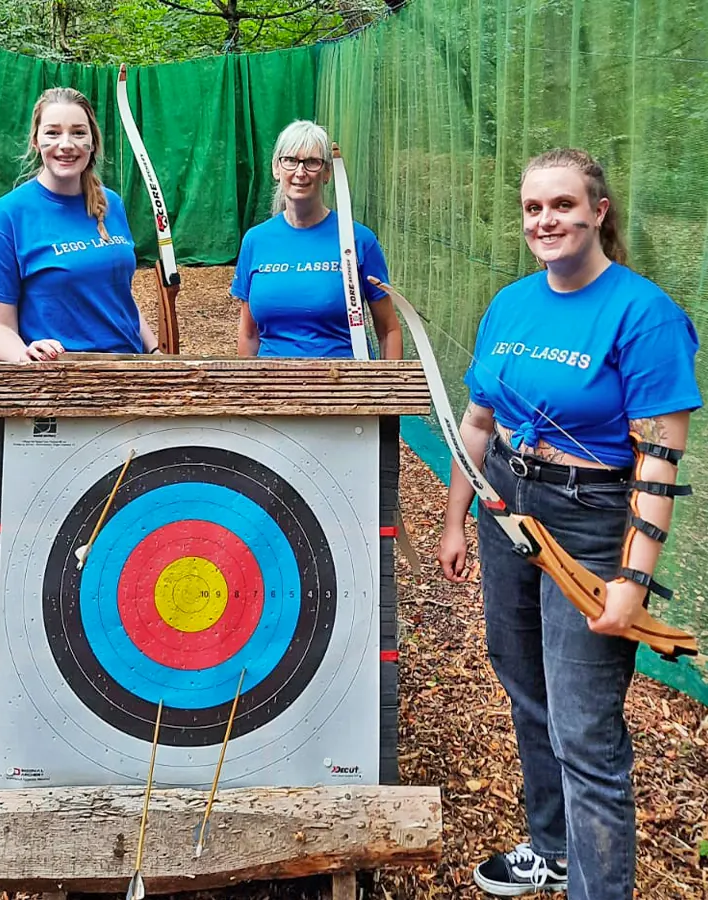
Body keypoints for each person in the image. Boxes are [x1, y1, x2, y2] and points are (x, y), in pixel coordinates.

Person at [436, 148, 700, 898]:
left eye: (562, 205)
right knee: (525, 688)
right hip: (505, 507)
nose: (545, 221)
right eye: (532, 209)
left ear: (598, 211)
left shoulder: (644, 314)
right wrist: (457, 519)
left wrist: (631, 583)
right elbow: (479, 420)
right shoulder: (511, 303)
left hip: (589, 519)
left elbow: (657, 462)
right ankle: (551, 847)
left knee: (585, 726)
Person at [0, 86, 161, 715]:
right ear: (36, 138)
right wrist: (25, 356)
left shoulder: (114, 206)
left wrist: (151, 348)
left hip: (128, 387)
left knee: (126, 529)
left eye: (77, 131)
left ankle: (109, 656)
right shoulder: (8, 215)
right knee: (42, 533)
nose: (66, 144)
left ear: (93, 139)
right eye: (53, 132)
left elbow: (120, 295)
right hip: (58, 392)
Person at [233, 120, 402, 361]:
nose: (300, 172)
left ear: (327, 173)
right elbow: (249, 335)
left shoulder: (359, 240)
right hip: (271, 388)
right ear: (276, 168)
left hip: (344, 388)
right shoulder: (256, 241)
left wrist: (387, 392)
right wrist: (246, 390)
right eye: (290, 160)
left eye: (312, 162)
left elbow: (389, 330)